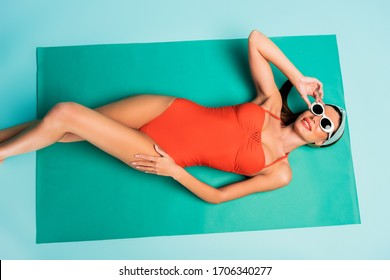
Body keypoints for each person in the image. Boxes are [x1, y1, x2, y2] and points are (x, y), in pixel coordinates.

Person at [0, 30, 346, 204]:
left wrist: (173, 172)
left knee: (65, 114)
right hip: (166, 108)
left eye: (325, 124)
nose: (317, 119)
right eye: (319, 111)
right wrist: (298, 77)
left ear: (321, 142)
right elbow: (256, 39)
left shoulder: (280, 171)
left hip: (159, 152)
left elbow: (220, 197)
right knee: (62, 129)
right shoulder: (271, 102)